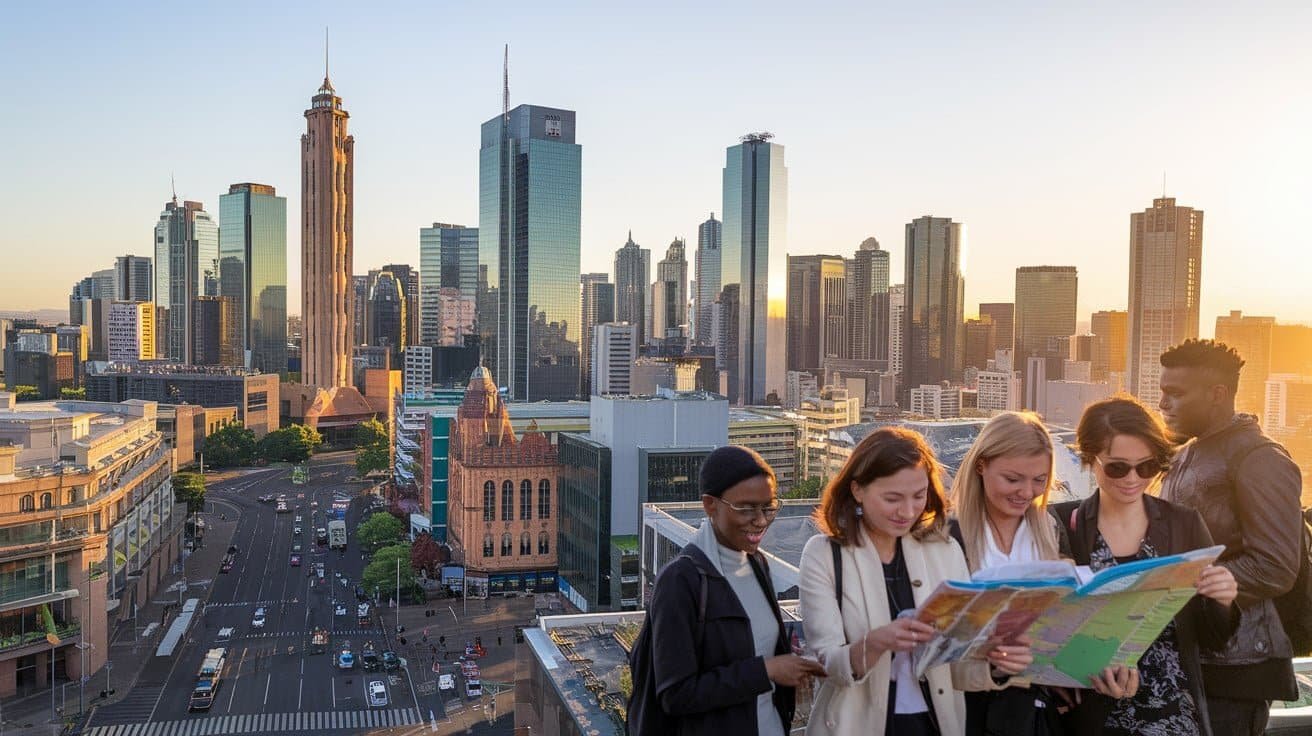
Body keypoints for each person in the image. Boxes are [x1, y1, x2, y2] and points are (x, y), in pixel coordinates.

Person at [799, 427, 1030, 736]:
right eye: (892, 498)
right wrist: (878, 642)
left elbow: (956, 669)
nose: (907, 511)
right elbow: (830, 664)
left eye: (919, 496)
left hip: (933, 723)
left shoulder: (945, 551)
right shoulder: (824, 555)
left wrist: (997, 665)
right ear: (857, 490)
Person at [1053, 396, 1239, 736]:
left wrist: (1223, 599)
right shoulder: (1064, 524)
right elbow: (1047, 628)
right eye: (1117, 467)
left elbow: (1213, 639)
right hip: (1093, 714)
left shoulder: (1183, 523)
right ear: (1089, 459)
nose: (1133, 478)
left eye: (1147, 466)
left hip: (1173, 712)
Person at [1156, 339, 1302, 734]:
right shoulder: (1188, 453)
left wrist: (1179, 585)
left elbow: (1275, 566)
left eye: (1175, 394)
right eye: (1162, 392)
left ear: (1217, 394)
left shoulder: (1259, 458)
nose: (1163, 404)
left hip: (1237, 666)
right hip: (1193, 655)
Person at [647, 445, 824, 735]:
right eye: (746, 508)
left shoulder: (757, 564)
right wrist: (766, 670)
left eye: (768, 507)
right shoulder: (681, 581)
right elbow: (675, 694)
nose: (762, 520)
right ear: (710, 505)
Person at [948, 411, 1071, 735]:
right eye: (1013, 479)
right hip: (972, 708)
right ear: (981, 466)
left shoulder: (1050, 529)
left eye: (1039, 480)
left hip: (1035, 711)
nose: (1026, 492)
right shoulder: (949, 537)